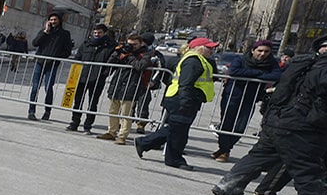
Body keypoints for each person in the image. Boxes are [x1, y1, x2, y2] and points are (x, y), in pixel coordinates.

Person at [211, 35, 327, 195]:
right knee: (307, 167)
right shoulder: (322, 68)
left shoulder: (302, 62)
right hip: (301, 125)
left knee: (260, 155)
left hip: (278, 118)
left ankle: (229, 185)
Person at [134, 37, 218, 171]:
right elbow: (185, 82)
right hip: (182, 99)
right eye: (209, 48)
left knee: (175, 129)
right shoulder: (193, 61)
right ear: (199, 48)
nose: (212, 50)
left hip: (186, 99)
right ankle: (173, 158)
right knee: (179, 132)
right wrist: (185, 101)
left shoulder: (199, 60)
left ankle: (144, 143)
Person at [210, 40, 282, 162]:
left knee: (240, 127)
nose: (263, 54)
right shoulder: (241, 59)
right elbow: (234, 71)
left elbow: (276, 75)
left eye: (266, 51)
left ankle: (225, 149)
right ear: (253, 50)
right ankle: (224, 150)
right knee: (226, 124)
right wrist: (258, 73)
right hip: (232, 95)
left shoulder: (271, 63)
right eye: (260, 51)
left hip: (250, 98)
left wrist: (252, 76)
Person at [100, 33, 152, 144]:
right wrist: (117, 52)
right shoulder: (123, 51)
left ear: (140, 43)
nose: (132, 46)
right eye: (130, 44)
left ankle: (122, 136)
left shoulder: (145, 54)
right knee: (113, 111)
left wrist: (129, 56)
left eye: (134, 44)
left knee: (126, 113)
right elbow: (110, 64)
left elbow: (140, 66)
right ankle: (111, 132)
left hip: (131, 85)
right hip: (117, 83)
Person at [68, 23, 116, 133]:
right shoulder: (86, 44)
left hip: (98, 79)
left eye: (99, 33)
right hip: (82, 77)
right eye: (95, 33)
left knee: (93, 103)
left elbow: (113, 62)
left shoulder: (110, 46)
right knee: (78, 102)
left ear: (104, 33)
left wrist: (105, 73)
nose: (97, 35)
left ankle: (88, 125)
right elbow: (78, 58)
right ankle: (74, 123)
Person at [28, 12, 74, 120]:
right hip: (40, 62)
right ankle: (31, 111)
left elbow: (67, 51)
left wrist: (56, 56)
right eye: (51, 20)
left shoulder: (65, 34)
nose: (53, 22)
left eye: (55, 20)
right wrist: (45, 32)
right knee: (35, 87)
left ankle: (47, 111)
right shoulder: (44, 32)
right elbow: (35, 43)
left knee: (48, 88)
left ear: (59, 21)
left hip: (52, 64)